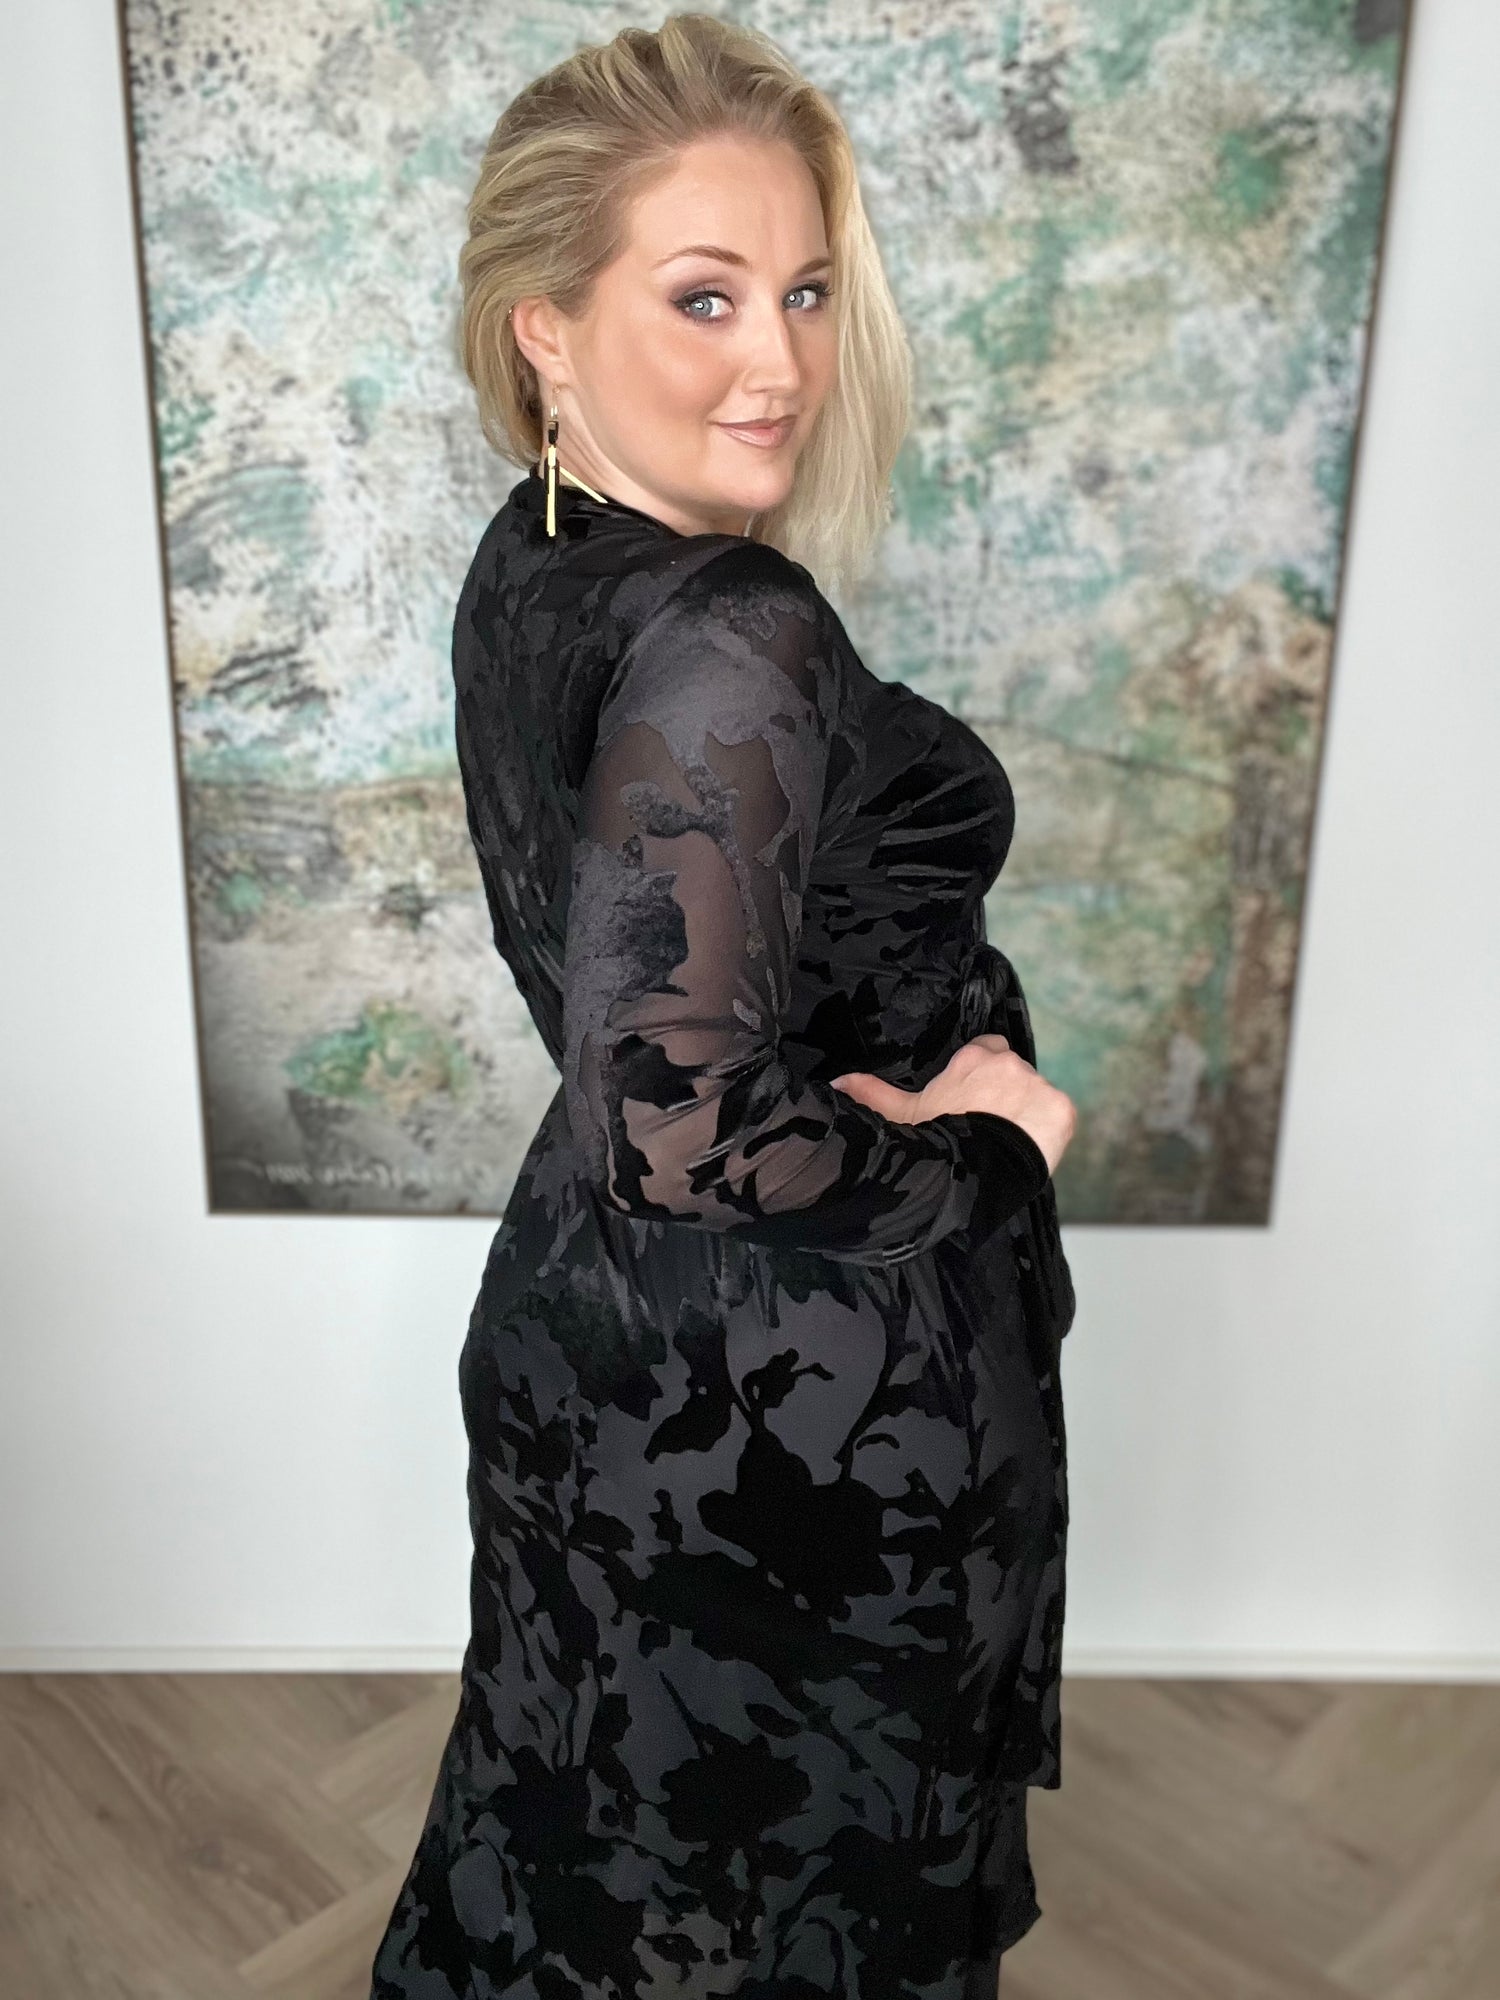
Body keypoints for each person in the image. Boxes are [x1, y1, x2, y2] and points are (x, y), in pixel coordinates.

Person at [370, 14, 1077, 1997]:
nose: (779, 360)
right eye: (704, 296)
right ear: (548, 329)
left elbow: (630, 1047)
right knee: (783, 1917)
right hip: (797, 1402)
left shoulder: (542, 555)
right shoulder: (735, 629)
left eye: (808, 291)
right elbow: (684, 1120)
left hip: (603, 1346)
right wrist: (988, 1151)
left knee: (589, 1870)